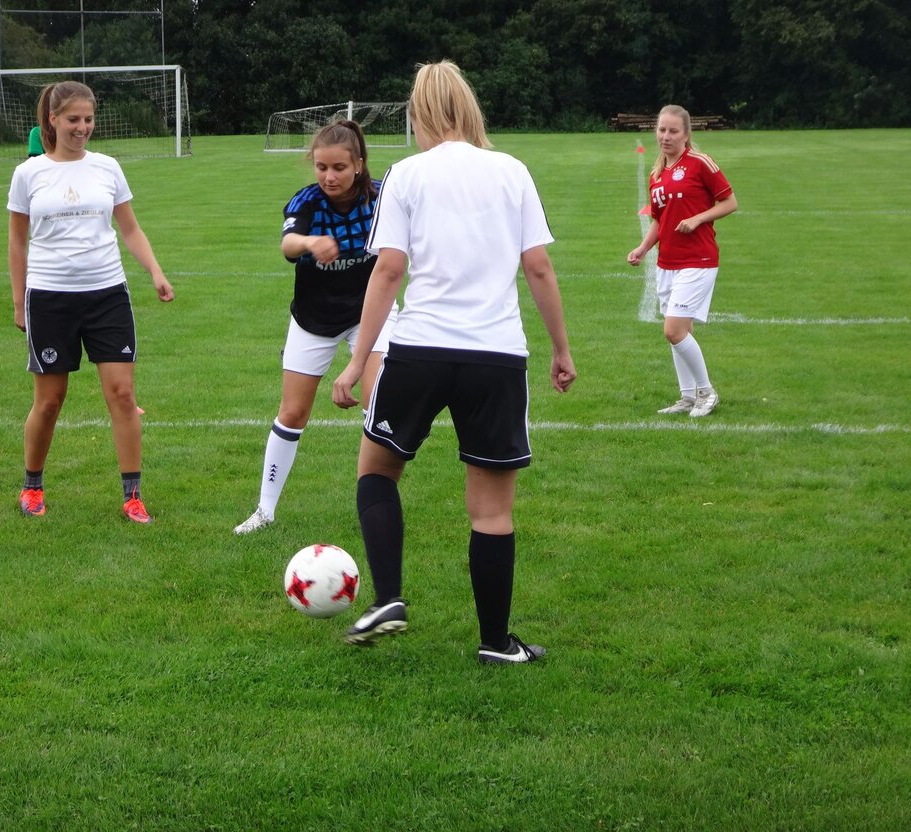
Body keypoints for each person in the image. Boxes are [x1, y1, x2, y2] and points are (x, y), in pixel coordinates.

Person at [331, 61, 577, 665]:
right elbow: (538, 267)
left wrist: (357, 361)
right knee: (491, 512)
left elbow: (388, 270)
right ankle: (496, 643)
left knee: (376, 471)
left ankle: (389, 598)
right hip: (496, 357)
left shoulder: (406, 174)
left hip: (420, 349)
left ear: (419, 113)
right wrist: (561, 350)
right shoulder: (512, 170)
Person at [7, 81, 174, 524]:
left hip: (107, 294)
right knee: (50, 400)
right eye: (73, 119)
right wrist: (19, 302)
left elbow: (130, 229)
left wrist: (155, 272)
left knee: (123, 394)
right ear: (53, 120)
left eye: (88, 119)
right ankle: (32, 486)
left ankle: (133, 496)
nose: (82, 127)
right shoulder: (29, 173)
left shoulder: (107, 167)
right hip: (49, 298)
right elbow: (17, 241)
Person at [234, 120, 398, 535]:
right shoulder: (306, 201)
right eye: (322, 167)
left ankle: (376, 509)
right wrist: (310, 243)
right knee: (292, 413)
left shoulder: (383, 197)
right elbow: (288, 244)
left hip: (370, 314)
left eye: (339, 167)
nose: (329, 176)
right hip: (314, 318)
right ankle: (265, 510)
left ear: (358, 164)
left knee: (377, 403)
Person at [627, 104, 738, 417]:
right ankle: (688, 397)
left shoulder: (699, 163)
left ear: (686, 134)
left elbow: (730, 202)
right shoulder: (657, 174)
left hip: (698, 259)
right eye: (662, 129)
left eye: (673, 131)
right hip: (668, 263)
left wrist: (698, 218)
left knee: (673, 330)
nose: (666, 136)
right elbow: (659, 220)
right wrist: (643, 248)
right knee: (680, 333)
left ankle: (707, 392)